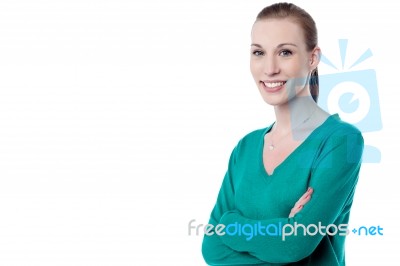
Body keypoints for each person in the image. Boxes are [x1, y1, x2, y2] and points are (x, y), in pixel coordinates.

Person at [201, 2, 364, 265]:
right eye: (258, 52)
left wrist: (232, 224)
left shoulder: (341, 141)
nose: (270, 68)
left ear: (312, 58)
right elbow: (212, 248)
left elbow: (294, 246)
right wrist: (281, 230)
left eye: (285, 52)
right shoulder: (245, 147)